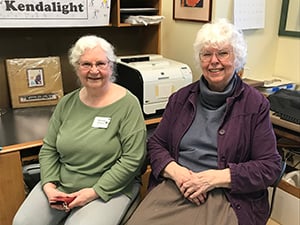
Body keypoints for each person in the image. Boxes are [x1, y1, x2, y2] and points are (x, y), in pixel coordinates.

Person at [126, 19, 282, 225]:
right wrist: (177, 172)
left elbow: (269, 166)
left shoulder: (255, 104)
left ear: (237, 59)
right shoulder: (180, 98)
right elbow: (156, 144)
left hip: (227, 194)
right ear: (200, 59)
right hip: (178, 185)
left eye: (223, 53)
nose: (214, 61)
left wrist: (213, 179)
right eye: (206, 54)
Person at [13, 35, 146, 225]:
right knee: (23, 222)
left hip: (109, 187)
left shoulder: (128, 104)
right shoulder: (67, 103)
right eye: (86, 64)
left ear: (111, 66)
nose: (94, 70)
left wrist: (94, 192)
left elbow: (133, 158)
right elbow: (49, 149)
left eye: (101, 63)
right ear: (77, 67)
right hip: (62, 184)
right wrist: (49, 185)